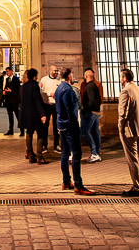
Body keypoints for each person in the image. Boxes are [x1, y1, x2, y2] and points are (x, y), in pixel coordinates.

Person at [56, 67, 94, 195]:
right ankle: (78, 185)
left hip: (61, 124)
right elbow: (70, 110)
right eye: (72, 75)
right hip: (70, 126)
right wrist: (75, 126)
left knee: (65, 153)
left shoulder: (58, 88)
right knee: (76, 154)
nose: (73, 77)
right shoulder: (68, 90)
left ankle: (66, 181)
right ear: (68, 77)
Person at [118, 68, 139, 197]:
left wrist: (120, 128)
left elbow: (123, 113)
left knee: (132, 158)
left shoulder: (126, 91)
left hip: (130, 129)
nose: (120, 79)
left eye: (121, 77)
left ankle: (137, 187)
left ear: (125, 78)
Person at [19, 68, 48, 164]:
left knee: (29, 133)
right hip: (34, 113)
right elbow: (37, 101)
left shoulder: (23, 86)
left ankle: (31, 155)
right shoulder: (34, 85)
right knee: (41, 133)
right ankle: (40, 156)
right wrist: (42, 114)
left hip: (25, 114)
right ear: (35, 76)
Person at [80, 68, 103, 162]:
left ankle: (94, 153)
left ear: (86, 76)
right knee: (95, 131)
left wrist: (86, 111)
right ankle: (97, 152)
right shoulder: (93, 85)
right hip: (96, 112)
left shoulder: (89, 86)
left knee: (85, 131)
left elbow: (91, 101)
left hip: (91, 112)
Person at [39, 65, 61, 151]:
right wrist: (49, 94)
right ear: (50, 70)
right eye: (54, 71)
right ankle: (44, 145)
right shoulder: (44, 79)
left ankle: (56, 145)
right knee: (45, 126)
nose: (56, 72)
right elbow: (41, 91)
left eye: (56, 71)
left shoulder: (59, 80)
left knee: (56, 126)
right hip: (47, 104)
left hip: (56, 105)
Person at [0, 67, 21, 135]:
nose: (7, 73)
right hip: (8, 100)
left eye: (8, 71)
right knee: (10, 115)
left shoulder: (16, 79)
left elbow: (18, 89)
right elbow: (6, 87)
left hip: (14, 100)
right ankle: (11, 130)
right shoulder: (6, 79)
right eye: (6, 71)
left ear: (11, 71)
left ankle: (22, 130)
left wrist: (11, 90)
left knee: (17, 115)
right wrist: (4, 92)